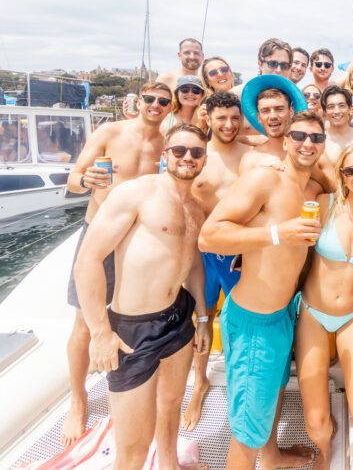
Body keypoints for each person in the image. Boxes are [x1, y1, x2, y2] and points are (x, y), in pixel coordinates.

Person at [74, 124, 210, 470]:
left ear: (204, 159)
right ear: (166, 156)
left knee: (170, 406)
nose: (188, 158)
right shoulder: (137, 192)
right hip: (132, 331)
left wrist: (204, 317)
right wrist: (101, 333)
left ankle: (169, 465)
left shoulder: (196, 206)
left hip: (178, 319)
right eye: (179, 151)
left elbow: (192, 264)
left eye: (196, 152)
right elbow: (88, 260)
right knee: (133, 449)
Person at [198, 111, 327, 470]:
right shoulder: (266, 179)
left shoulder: (309, 187)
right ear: (285, 141)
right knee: (247, 430)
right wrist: (277, 233)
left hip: (281, 314)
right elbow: (209, 236)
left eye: (316, 138)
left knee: (271, 397)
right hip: (255, 320)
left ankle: (270, 458)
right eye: (299, 136)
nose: (307, 144)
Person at [60, 82, 173, 447]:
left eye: (163, 102)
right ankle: (78, 400)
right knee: (84, 320)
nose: (156, 106)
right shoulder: (110, 132)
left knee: (137, 313)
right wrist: (85, 179)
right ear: (138, 102)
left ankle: (133, 385)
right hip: (100, 233)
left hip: (139, 240)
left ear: (170, 108)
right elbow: (73, 181)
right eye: (151, 100)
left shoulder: (167, 143)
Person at [295, 143, 353, 469]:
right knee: (317, 425)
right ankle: (324, 452)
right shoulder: (324, 205)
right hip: (312, 313)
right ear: (341, 176)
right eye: (350, 170)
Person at [182, 91, 251, 431]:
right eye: (221, 118)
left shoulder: (250, 156)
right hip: (202, 254)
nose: (229, 124)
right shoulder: (196, 157)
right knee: (201, 320)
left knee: (239, 324)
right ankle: (200, 382)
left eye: (235, 118)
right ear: (207, 117)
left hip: (237, 257)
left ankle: (242, 385)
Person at [238, 75, 307, 170]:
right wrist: (260, 174)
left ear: (291, 112)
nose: (273, 116)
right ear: (259, 117)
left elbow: (332, 184)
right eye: (265, 111)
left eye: (279, 109)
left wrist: (310, 168)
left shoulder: (309, 150)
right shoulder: (251, 160)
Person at [320, 85, 353, 162]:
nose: (337, 111)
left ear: (349, 109)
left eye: (342, 106)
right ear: (325, 112)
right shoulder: (319, 142)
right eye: (331, 107)